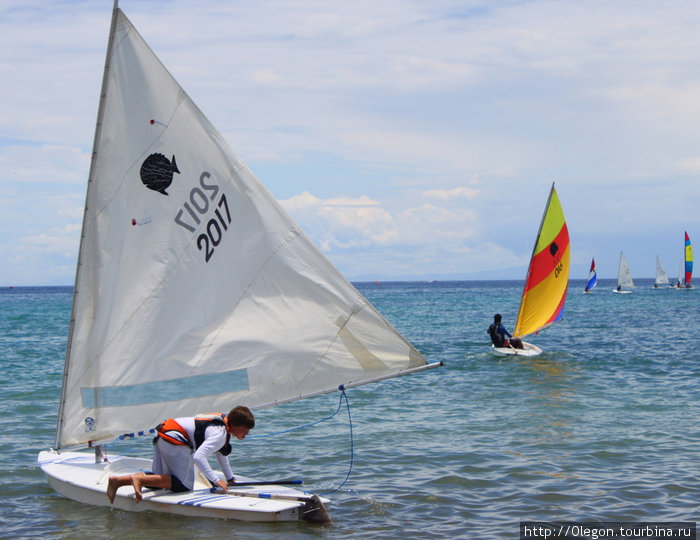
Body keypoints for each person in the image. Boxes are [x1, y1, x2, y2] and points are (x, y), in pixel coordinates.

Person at [107, 405, 255, 504]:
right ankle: (138, 478)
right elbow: (199, 457)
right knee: (183, 485)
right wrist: (216, 480)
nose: (246, 434)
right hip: (175, 439)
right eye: (244, 429)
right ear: (234, 425)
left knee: (160, 482)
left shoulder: (223, 424)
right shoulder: (220, 433)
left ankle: (118, 481)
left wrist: (230, 479)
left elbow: (221, 455)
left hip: (163, 433)